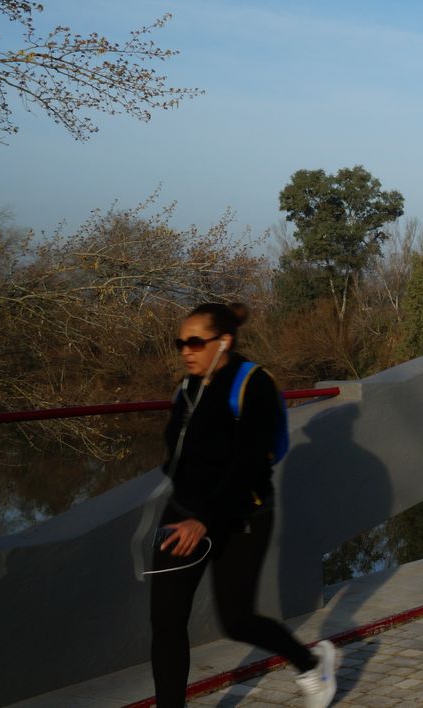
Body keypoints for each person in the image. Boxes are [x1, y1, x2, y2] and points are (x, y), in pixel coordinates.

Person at [151, 302, 339, 708]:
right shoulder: (188, 389)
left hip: (241, 517)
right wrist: (184, 504)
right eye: (180, 342)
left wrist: (205, 518)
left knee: (237, 620)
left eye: (195, 342)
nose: (186, 350)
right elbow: (177, 452)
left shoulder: (253, 384)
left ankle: (311, 664)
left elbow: (252, 462)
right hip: (185, 514)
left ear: (224, 341)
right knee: (166, 620)